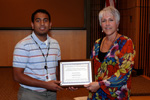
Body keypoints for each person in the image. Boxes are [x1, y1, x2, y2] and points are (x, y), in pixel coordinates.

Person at [84, 6, 136, 100]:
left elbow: (124, 73)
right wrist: (77, 83)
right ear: (100, 24)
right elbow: (90, 69)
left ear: (118, 23)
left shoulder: (126, 42)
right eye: (104, 21)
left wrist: (100, 84)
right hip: (96, 94)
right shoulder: (97, 43)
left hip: (116, 95)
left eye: (111, 20)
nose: (107, 24)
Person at [13, 9, 63, 100]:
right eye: (38, 20)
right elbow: (17, 76)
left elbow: (57, 69)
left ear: (50, 24)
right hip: (30, 94)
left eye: (45, 20)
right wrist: (45, 85)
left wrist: (68, 83)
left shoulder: (55, 44)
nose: (42, 23)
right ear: (32, 25)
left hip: (52, 93)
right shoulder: (22, 45)